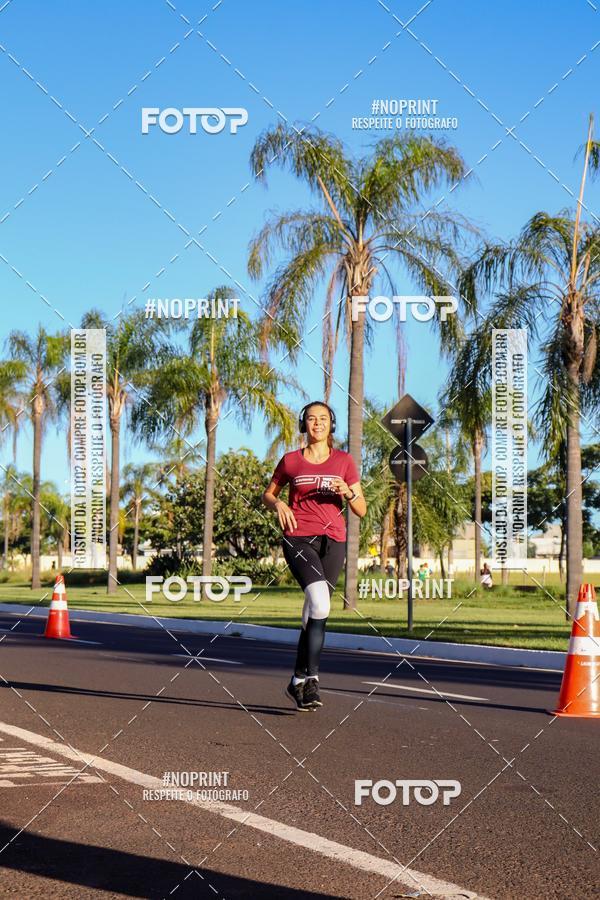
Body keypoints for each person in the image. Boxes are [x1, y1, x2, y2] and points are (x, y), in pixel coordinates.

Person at [263, 401, 366, 711]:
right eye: (311, 418)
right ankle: (313, 679)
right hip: (298, 538)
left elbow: (361, 508)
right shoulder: (291, 461)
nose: (317, 423)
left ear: (331, 424)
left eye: (323, 419)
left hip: (334, 541)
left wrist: (348, 492)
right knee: (320, 604)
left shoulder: (344, 461)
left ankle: (297, 680)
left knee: (314, 612)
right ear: (303, 424)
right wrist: (279, 504)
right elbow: (268, 493)